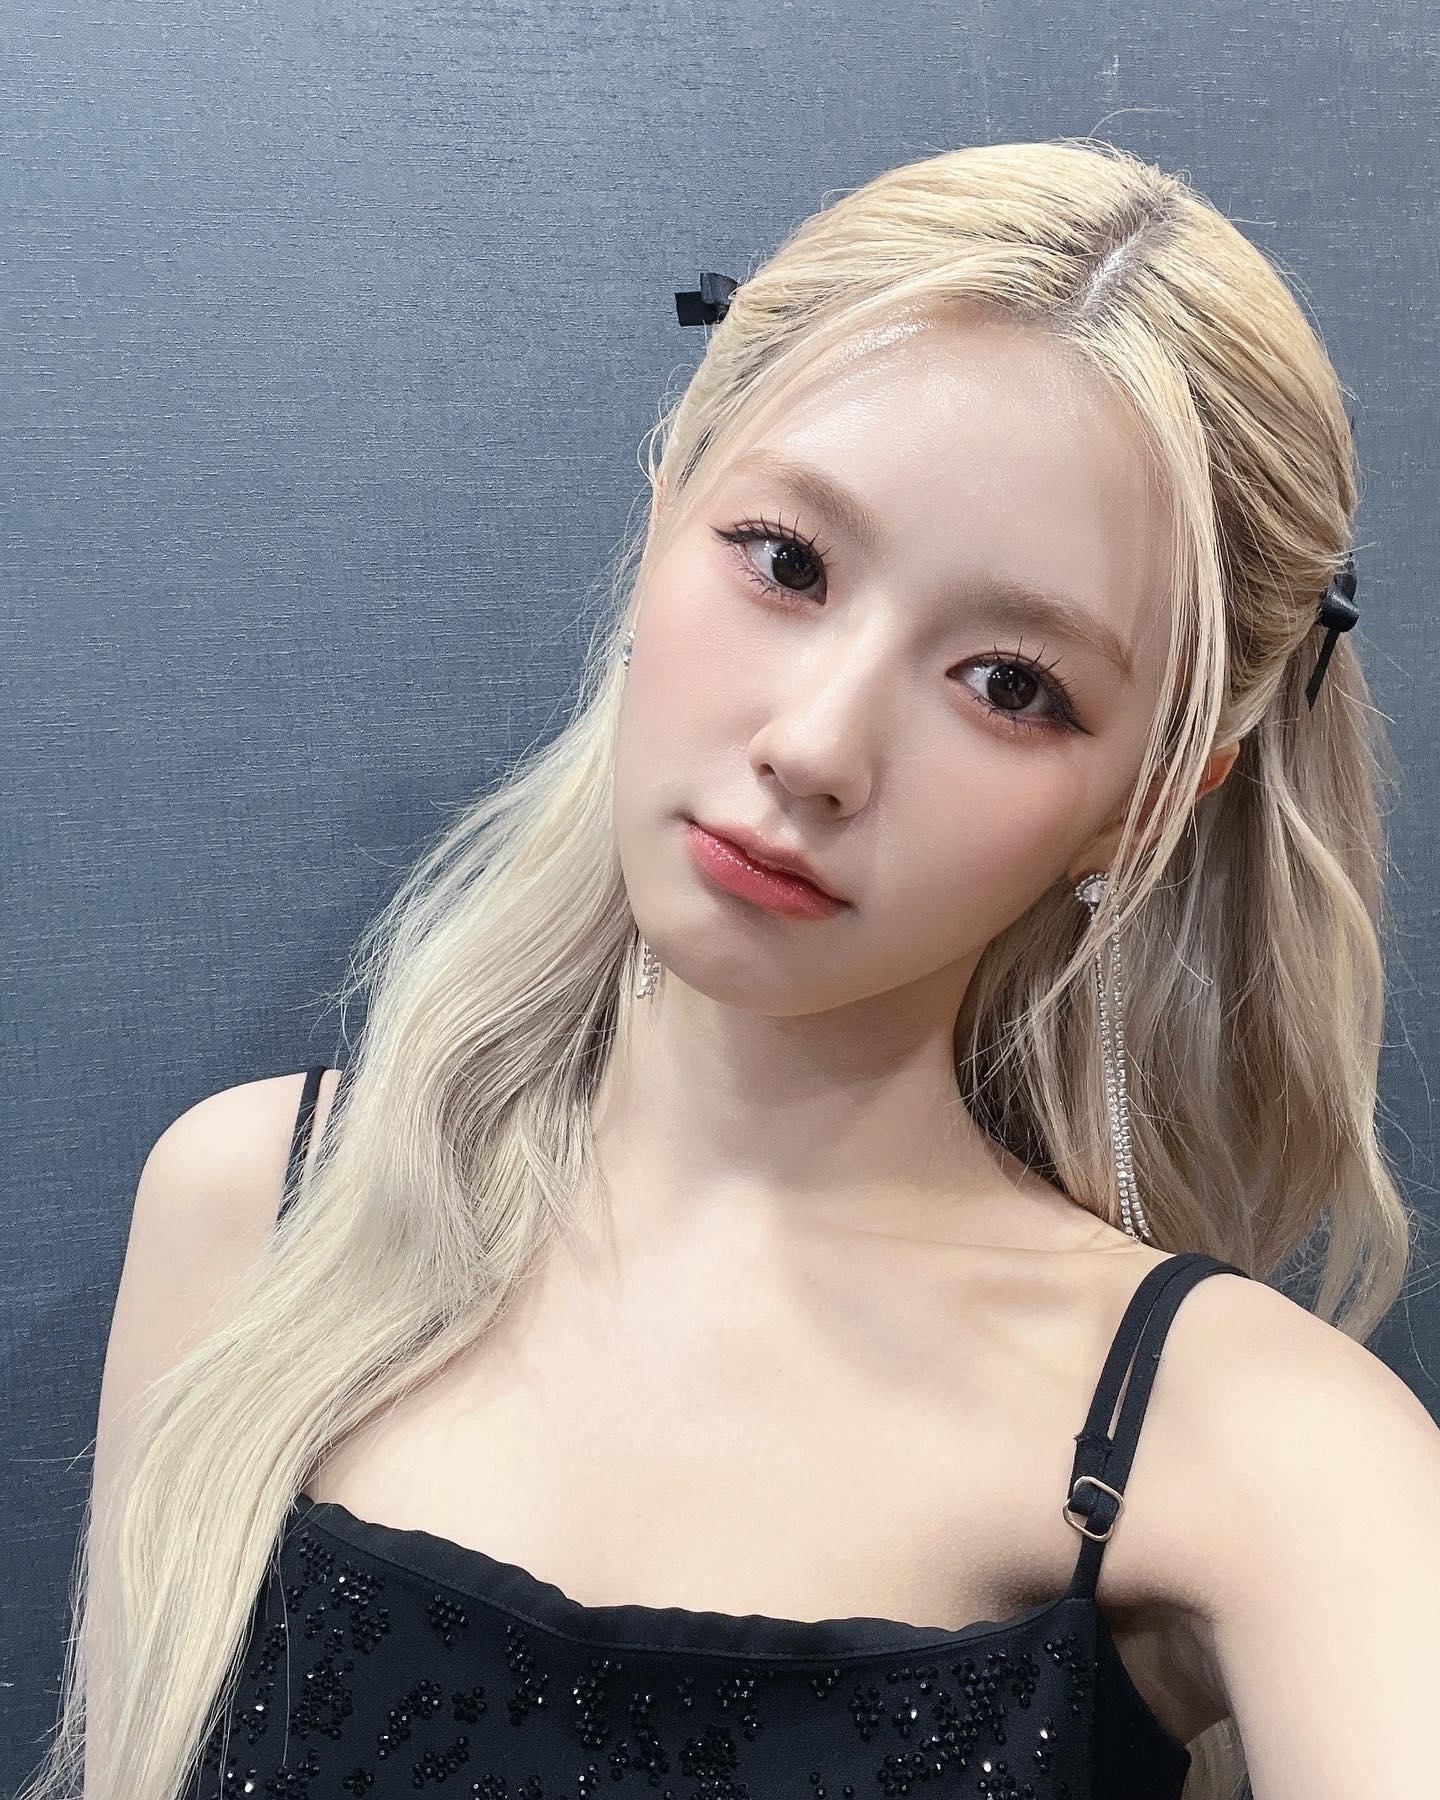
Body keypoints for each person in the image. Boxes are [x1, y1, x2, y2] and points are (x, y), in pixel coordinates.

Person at [24, 139, 1439, 1800]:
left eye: (1010, 683)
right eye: (785, 562)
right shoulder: (256, 1213)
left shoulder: (1267, 1456)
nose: (817, 746)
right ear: (661, 519)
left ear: (1147, 805)